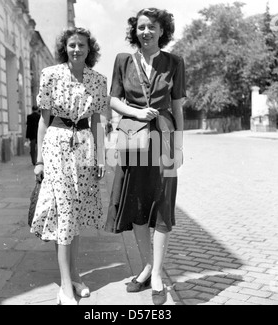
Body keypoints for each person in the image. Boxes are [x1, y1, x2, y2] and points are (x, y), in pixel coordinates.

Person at [105, 8, 186, 305]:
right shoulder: (123, 60)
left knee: (163, 204)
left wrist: (178, 147)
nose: (146, 32)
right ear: (134, 31)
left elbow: (177, 107)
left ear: (162, 31)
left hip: (163, 137)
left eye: (152, 27)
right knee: (137, 204)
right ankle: (148, 266)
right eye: (141, 27)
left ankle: (156, 275)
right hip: (133, 140)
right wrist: (137, 111)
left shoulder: (174, 63)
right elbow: (113, 99)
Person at [30, 27, 108, 305]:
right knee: (64, 212)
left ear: (90, 49)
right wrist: (39, 159)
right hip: (56, 145)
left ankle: (74, 275)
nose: (77, 50)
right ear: (66, 48)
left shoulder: (98, 81)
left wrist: (101, 157)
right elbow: (43, 120)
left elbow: (98, 121)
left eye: (82, 46)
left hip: (84, 146)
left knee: (75, 213)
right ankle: (65, 285)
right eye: (72, 45)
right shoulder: (50, 74)